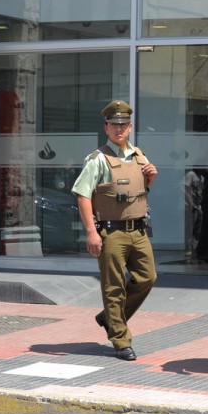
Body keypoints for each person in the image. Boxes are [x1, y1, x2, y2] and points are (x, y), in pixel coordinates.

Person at [72, 100, 158, 361]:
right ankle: (120, 340)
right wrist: (91, 232)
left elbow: (139, 190)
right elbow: (82, 195)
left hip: (139, 231)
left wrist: (150, 177)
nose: (118, 129)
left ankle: (109, 317)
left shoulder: (138, 155)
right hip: (111, 232)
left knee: (147, 277)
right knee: (114, 287)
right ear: (106, 128)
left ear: (130, 127)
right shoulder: (98, 159)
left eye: (123, 124)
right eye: (113, 125)